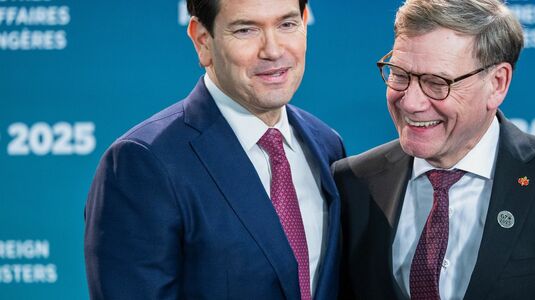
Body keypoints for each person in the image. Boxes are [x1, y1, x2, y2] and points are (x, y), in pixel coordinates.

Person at [333, 0, 535, 299]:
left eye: (436, 82)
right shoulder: (354, 182)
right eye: (399, 74)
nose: (411, 102)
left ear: (497, 83)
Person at [84, 0, 344, 299]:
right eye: (246, 30)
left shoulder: (327, 144)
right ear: (202, 41)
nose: (273, 50)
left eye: (287, 24)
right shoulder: (143, 161)